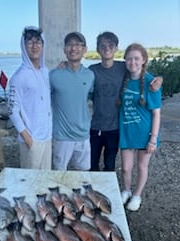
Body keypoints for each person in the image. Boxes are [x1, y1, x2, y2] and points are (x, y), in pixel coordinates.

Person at [89, 31, 162, 171]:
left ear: (116, 48)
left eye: (111, 45)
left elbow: (142, 73)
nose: (106, 48)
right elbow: (78, 75)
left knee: (109, 165)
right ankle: (90, 191)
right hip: (95, 126)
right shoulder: (92, 70)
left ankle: (105, 192)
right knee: (92, 164)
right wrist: (64, 65)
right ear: (97, 49)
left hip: (115, 128)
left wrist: (159, 79)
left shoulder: (123, 67)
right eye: (102, 45)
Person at [118, 43, 161, 211]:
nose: (132, 62)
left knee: (142, 166)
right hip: (127, 132)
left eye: (136, 58)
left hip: (145, 133)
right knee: (126, 167)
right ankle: (126, 190)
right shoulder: (123, 77)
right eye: (129, 58)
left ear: (143, 60)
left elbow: (156, 113)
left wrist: (153, 138)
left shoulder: (152, 83)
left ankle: (137, 195)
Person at [7, 26, 52, 169]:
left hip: (47, 137)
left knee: (46, 180)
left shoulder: (45, 72)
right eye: (30, 42)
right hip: (32, 140)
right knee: (30, 183)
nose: (34, 46)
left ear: (43, 45)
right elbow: (12, 110)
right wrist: (27, 137)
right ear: (23, 45)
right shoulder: (19, 77)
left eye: (38, 41)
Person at [50, 32, 94, 171]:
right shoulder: (54, 75)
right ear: (64, 49)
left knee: (83, 174)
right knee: (59, 175)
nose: (73, 48)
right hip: (62, 136)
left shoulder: (90, 75)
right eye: (70, 44)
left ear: (85, 50)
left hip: (83, 134)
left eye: (77, 45)